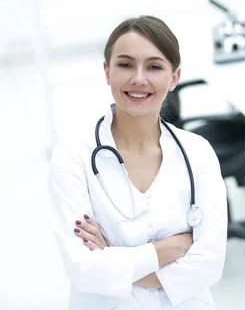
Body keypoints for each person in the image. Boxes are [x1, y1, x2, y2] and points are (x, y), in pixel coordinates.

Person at [48, 16, 228, 310]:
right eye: (125, 64)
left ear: (174, 78)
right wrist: (168, 249)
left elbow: (209, 266)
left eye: (154, 66)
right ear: (107, 72)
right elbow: (84, 270)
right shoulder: (72, 158)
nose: (139, 78)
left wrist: (112, 257)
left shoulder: (198, 153)